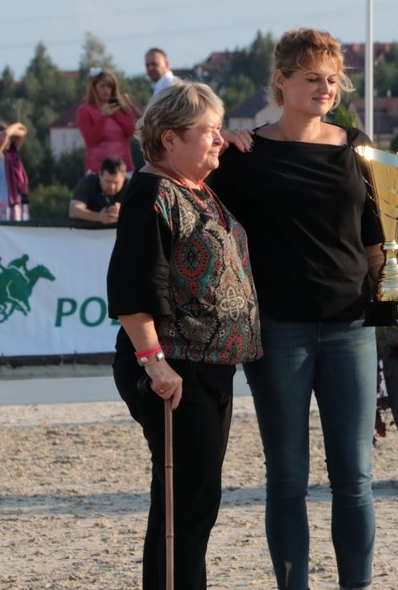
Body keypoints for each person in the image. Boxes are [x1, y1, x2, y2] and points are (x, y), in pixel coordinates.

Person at [209, 27, 385, 590]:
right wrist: (220, 140)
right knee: (287, 477)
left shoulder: (356, 145)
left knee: (354, 478)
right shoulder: (244, 155)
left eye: (333, 79)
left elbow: (377, 244)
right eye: (313, 78)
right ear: (281, 82)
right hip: (277, 331)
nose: (325, 88)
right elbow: (194, 203)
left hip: (351, 329)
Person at [107, 81, 261, 590]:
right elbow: (132, 288)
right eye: (208, 132)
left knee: (195, 503)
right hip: (174, 370)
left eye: (220, 131)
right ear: (169, 139)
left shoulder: (195, 186)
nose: (218, 141)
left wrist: (229, 137)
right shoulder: (152, 191)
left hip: (206, 369)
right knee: (184, 507)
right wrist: (155, 365)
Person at [78, 70, 138, 174]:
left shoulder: (123, 108)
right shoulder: (85, 110)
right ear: (94, 88)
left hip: (123, 168)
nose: (106, 90)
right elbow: (91, 140)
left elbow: (132, 131)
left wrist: (115, 113)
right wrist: (103, 117)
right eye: (102, 86)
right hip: (97, 170)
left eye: (109, 86)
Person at [69, 155, 129, 228]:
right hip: (89, 235)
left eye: (116, 182)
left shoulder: (132, 186)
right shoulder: (88, 182)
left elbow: (143, 212)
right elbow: (74, 210)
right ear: (100, 175)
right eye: (107, 181)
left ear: (124, 178)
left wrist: (124, 212)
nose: (111, 187)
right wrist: (99, 217)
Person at [0, 121, 30, 221]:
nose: (8, 141)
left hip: (17, 201)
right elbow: (5, 135)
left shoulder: (12, 154)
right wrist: (10, 130)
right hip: (3, 203)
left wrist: (19, 125)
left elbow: (22, 133)